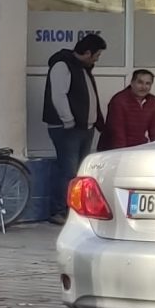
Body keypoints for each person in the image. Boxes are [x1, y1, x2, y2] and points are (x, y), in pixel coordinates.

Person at [42, 32, 106, 200]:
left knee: (80, 171)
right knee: (68, 172)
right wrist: (68, 120)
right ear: (87, 53)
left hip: (85, 128)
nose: (97, 59)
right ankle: (60, 211)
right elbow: (58, 96)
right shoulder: (63, 65)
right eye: (97, 55)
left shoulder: (83, 67)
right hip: (68, 128)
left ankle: (75, 208)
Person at [101, 68, 155, 151]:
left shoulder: (153, 101)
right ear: (132, 83)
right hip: (114, 149)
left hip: (139, 146)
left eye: (148, 83)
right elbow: (117, 132)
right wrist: (122, 154)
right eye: (140, 82)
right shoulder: (119, 100)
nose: (144, 87)